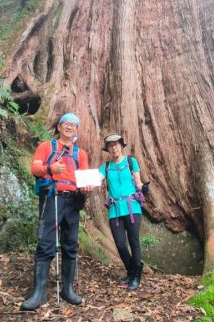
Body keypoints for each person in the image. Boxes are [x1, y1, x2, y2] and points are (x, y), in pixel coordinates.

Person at [20, 112, 92, 311]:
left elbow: (84, 177)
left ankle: (67, 290)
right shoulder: (46, 147)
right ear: (59, 127)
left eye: (73, 125)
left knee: (70, 245)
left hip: (73, 201)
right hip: (52, 198)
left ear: (76, 130)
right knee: (46, 243)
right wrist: (51, 169)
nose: (70, 127)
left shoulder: (80, 154)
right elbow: (35, 168)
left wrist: (86, 187)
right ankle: (39, 293)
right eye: (66, 124)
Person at [99, 133, 144, 291]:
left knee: (134, 242)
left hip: (132, 208)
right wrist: (85, 182)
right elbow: (97, 178)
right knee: (120, 244)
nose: (114, 147)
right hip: (115, 210)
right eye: (110, 146)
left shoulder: (131, 162)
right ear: (108, 149)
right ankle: (132, 270)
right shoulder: (106, 167)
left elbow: (138, 182)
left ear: (121, 146)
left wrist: (142, 187)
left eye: (116, 144)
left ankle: (136, 276)